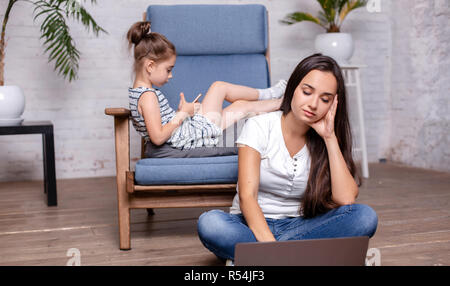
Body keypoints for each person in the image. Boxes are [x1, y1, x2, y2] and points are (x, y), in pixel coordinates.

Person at [197, 53, 378, 263]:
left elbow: (346, 199)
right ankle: (297, 257)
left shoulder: (326, 138)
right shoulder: (260, 126)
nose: (313, 104)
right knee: (211, 223)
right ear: (293, 88)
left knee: (365, 217)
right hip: (249, 225)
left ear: (333, 104)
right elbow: (248, 196)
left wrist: (329, 137)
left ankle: (261, 259)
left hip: (303, 226)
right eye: (307, 92)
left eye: (325, 99)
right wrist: (272, 247)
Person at [126, 21, 287, 153]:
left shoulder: (139, 93)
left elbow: (162, 124)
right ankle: (271, 94)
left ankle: (282, 102)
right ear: (150, 66)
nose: (170, 75)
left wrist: (183, 112)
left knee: (240, 106)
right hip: (191, 136)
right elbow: (158, 137)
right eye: (168, 70)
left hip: (187, 132)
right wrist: (182, 114)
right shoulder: (148, 96)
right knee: (219, 87)